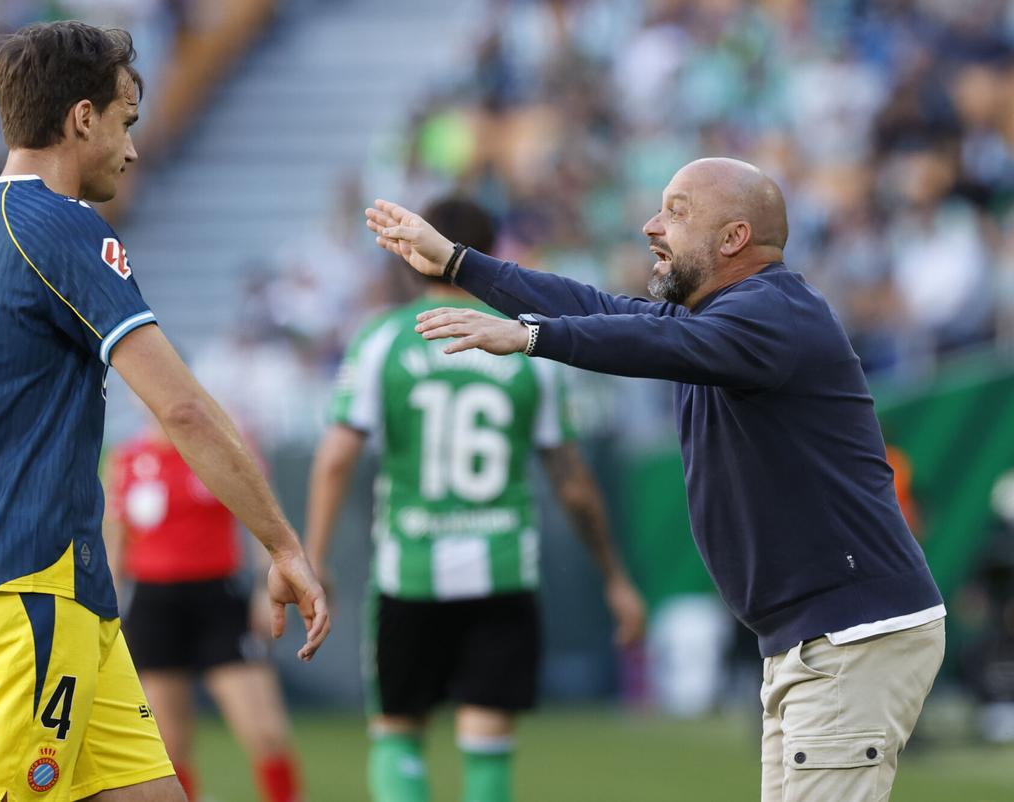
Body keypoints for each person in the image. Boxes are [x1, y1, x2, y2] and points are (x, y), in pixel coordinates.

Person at [0, 21, 328, 802]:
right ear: (82, 118)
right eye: (126, 122)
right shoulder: (61, 229)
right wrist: (283, 542)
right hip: (29, 600)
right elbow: (184, 410)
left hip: (59, 603)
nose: (132, 150)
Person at [365, 158, 946, 802]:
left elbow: (642, 344)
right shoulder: (730, 314)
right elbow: (602, 309)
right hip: (814, 637)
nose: (651, 226)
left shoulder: (773, 313)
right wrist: (456, 264)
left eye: (675, 211)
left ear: (733, 238)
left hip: (848, 635)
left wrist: (529, 336)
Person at [307, 197, 645, 802]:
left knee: (397, 735)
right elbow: (572, 482)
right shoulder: (525, 346)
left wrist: (314, 557)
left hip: (409, 572)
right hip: (502, 570)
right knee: (487, 739)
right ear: (488, 252)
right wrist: (614, 576)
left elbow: (336, 457)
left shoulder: (381, 340)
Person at [104, 418, 304, 802]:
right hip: (153, 604)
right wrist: (108, 610)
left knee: (264, 730)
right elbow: (117, 541)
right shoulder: (127, 458)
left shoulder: (219, 446)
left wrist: (267, 588)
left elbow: (259, 521)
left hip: (217, 599)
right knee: (168, 742)